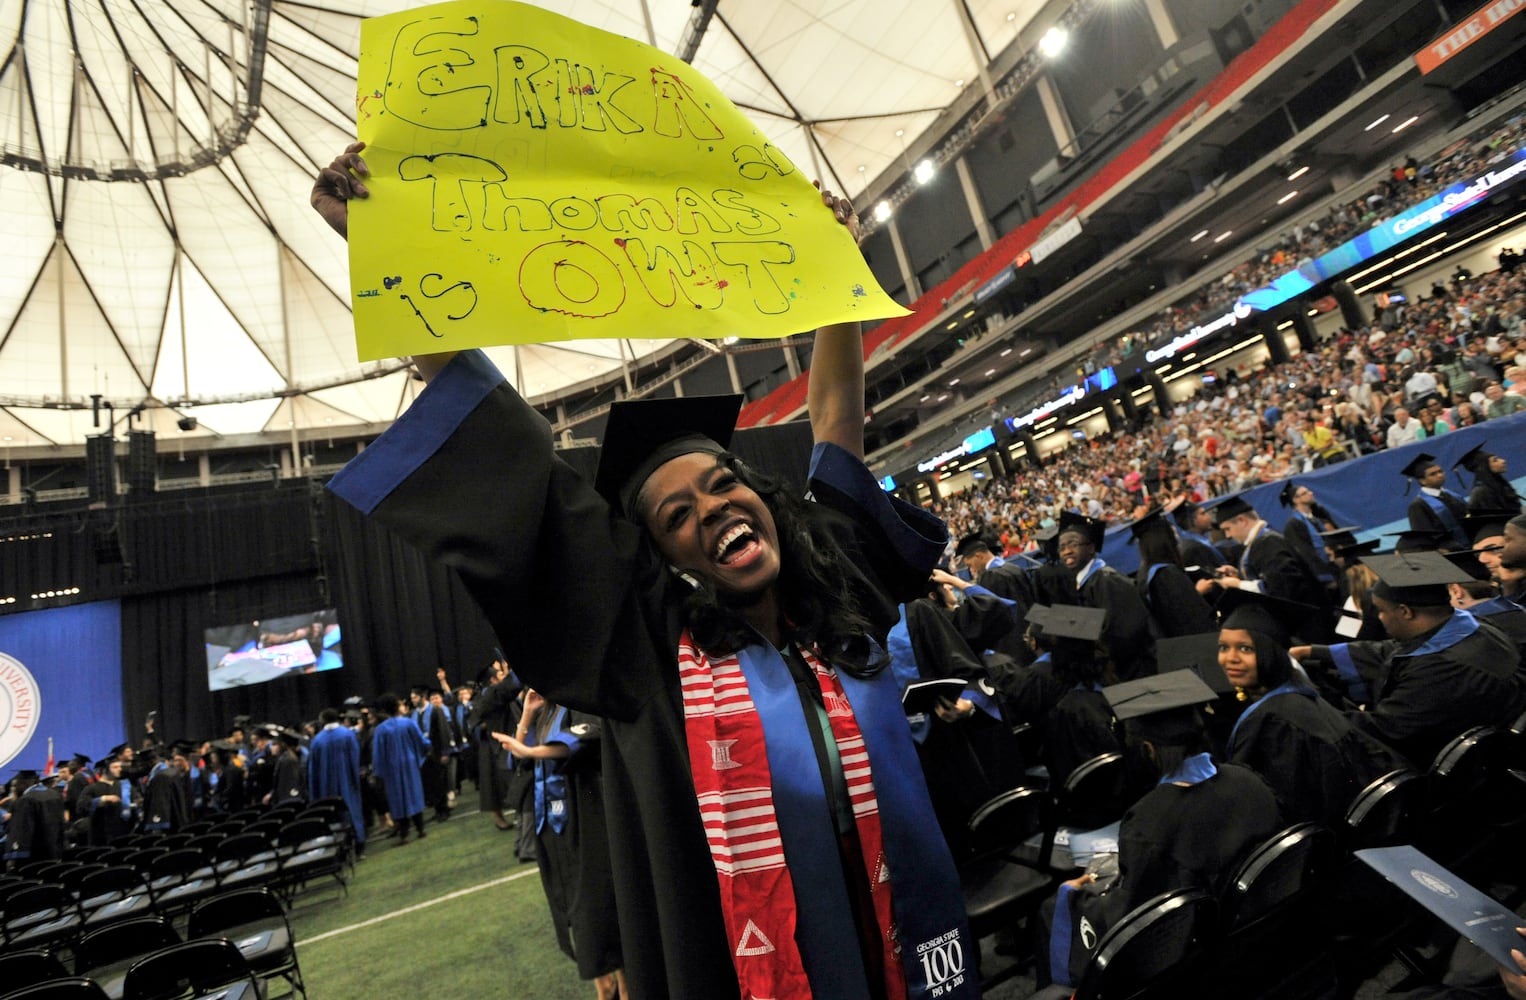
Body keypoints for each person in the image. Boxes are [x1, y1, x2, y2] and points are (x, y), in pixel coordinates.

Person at [314, 142, 975, 1000]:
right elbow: (507, 453)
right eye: (677, 516)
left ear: (761, 495)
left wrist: (835, 277)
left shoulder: (834, 585)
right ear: (660, 558)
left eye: (723, 483)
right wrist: (384, 246)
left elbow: (836, 427)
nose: (714, 511)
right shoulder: (655, 652)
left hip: (909, 941)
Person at [1046, 670, 1281, 987]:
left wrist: (1076, 896)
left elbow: (1135, 916)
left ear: (1149, 749)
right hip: (1261, 930)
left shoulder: (1148, 820)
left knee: (1055, 908)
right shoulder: (1248, 780)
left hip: (1200, 958)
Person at [1293, 552, 1526, 768]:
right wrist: (1316, 652)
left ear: (1406, 612)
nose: (1380, 619)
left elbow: (1382, 730)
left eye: (1381, 611)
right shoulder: (1479, 628)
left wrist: (1311, 708)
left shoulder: (1437, 671)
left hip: (1471, 774)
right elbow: (1394, 650)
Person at [1216, 590, 1402, 827]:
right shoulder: (1301, 694)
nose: (1229, 658)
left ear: (1271, 653)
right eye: (1223, 647)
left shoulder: (1275, 723)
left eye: (1245, 649)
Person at [494, 692, 625, 1000]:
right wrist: (526, 716)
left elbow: (584, 740)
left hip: (586, 821)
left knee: (602, 912)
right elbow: (517, 761)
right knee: (577, 913)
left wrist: (530, 751)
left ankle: (620, 988)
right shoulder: (545, 712)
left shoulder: (579, 702)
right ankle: (605, 989)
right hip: (554, 831)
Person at [1049, 511, 1156, 680]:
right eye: (1061, 548)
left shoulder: (1106, 581)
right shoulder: (1085, 582)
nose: (1067, 551)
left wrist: (1099, 661)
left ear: (1091, 548)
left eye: (1073, 544)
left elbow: (1123, 632)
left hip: (1134, 671)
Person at [1208, 496, 1328, 614]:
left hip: (1307, 619)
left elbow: (1283, 588)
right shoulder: (1263, 539)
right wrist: (1240, 575)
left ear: (1241, 520)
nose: (1228, 535)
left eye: (1228, 529)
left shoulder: (1268, 542)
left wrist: (1239, 585)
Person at [1127, 506, 1216, 638]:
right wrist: (1197, 593)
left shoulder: (1144, 572)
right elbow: (1190, 616)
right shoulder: (1167, 573)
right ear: (1164, 540)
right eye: (1173, 535)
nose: (1177, 539)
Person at [370, 692, 428, 844]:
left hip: (392, 768)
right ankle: (421, 829)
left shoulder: (381, 729)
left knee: (397, 798)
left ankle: (404, 834)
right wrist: (425, 750)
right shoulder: (408, 723)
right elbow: (421, 742)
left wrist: (378, 772)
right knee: (414, 793)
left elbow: (378, 753)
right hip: (410, 764)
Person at [308, 707, 366, 854]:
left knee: (334, 815)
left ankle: (341, 848)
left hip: (326, 785)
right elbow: (355, 759)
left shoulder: (317, 741)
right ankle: (359, 845)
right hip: (347, 781)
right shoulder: (347, 734)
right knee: (352, 811)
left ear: (322, 721)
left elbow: (312, 769)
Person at [1403, 453, 1471, 550]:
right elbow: (1425, 537)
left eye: (1440, 471)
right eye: (1433, 474)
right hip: (1450, 553)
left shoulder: (1453, 495)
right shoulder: (1418, 506)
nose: (1440, 475)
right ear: (1422, 481)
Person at [1454, 445, 1524, 514]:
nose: (1503, 461)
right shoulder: (1481, 492)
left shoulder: (1499, 483)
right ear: (1484, 467)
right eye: (1495, 460)